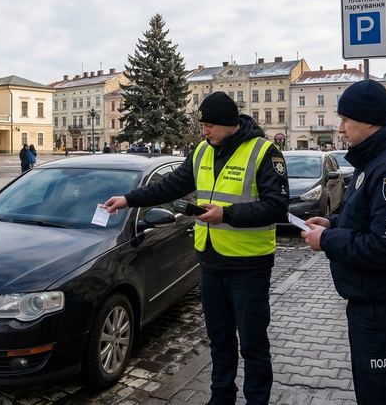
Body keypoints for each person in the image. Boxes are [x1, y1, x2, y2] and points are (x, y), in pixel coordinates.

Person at [103, 91, 287, 405]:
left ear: (229, 123)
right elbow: (171, 185)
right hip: (211, 263)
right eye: (202, 125)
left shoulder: (264, 152)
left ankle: (257, 400)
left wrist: (226, 214)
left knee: (253, 344)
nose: (204, 131)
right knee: (219, 340)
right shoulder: (202, 150)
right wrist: (129, 199)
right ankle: (221, 398)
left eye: (210, 125)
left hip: (249, 266)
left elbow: (277, 207)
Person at [300, 79, 386, 405]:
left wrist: (327, 239)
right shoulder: (375, 160)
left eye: (346, 120)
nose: (340, 128)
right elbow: (367, 220)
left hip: (385, 310)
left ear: (369, 120)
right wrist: (331, 223)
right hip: (372, 305)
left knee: (385, 395)